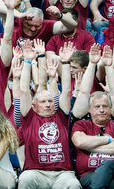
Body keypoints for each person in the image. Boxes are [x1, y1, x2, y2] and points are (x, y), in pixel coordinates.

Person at [18, 39, 80, 189]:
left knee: (73, 184)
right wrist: (27, 62)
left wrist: (65, 63)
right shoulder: (29, 118)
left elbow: (66, 91)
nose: (47, 104)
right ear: (34, 106)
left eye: (50, 101)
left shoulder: (61, 116)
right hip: (36, 173)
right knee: (25, 179)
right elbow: (24, 90)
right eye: (43, 102)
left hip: (62, 174)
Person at [71, 91, 114, 189]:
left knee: (108, 164)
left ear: (111, 108)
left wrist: (89, 147)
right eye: (97, 107)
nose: (101, 110)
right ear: (89, 109)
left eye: (105, 106)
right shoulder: (81, 125)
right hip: (89, 174)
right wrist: (107, 139)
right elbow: (80, 142)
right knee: (110, 184)